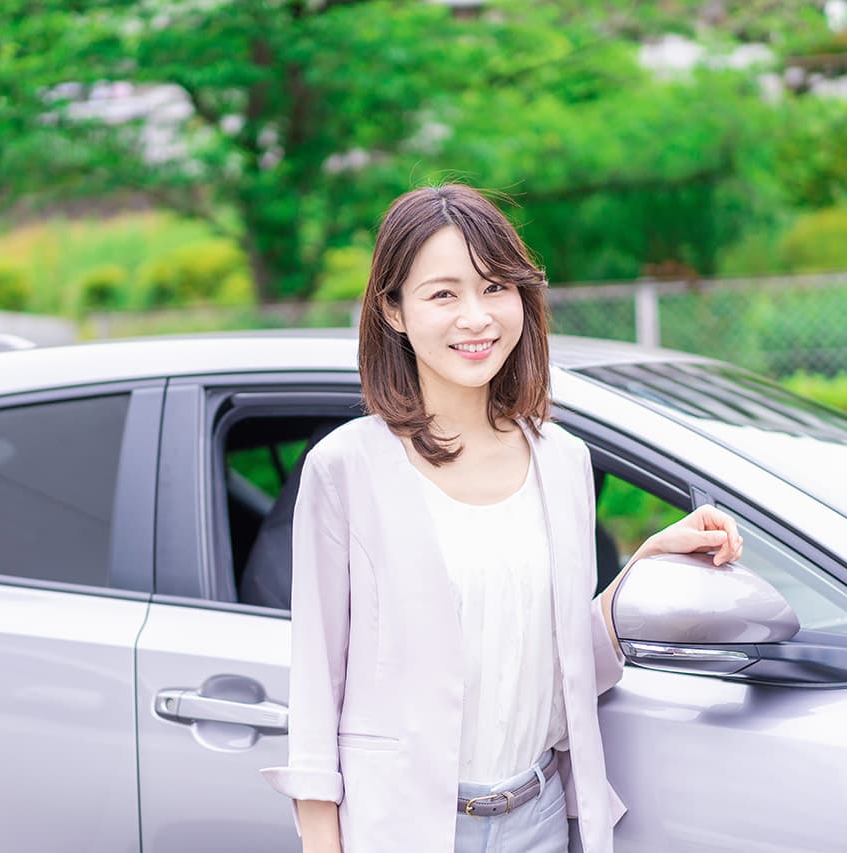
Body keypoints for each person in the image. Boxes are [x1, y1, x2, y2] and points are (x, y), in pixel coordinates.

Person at [260, 184, 743, 853]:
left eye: (495, 287)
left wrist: (649, 567)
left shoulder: (562, 461)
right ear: (393, 310)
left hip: (538, 819)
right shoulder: (346, 468)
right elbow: (317, 690)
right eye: (443, 294)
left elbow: (562, 666)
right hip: (403, 829)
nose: (476, 317)